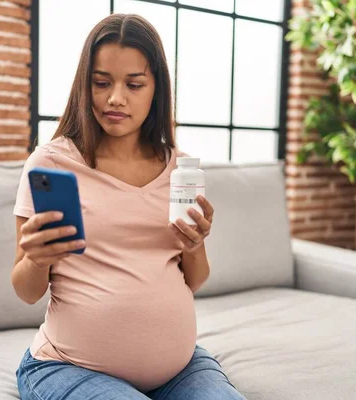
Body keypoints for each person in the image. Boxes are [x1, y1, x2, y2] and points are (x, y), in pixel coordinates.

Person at [12, 13, 247, 400]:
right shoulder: (51, 163)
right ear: (85, 85)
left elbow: (196, 279)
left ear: (156, 87)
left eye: (133, 84)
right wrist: (36, 260)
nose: (115, 98)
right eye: (101, 83)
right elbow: (25, 290)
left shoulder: (179, 167)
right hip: (69, 366)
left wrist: (194, 243)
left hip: (180, 369)